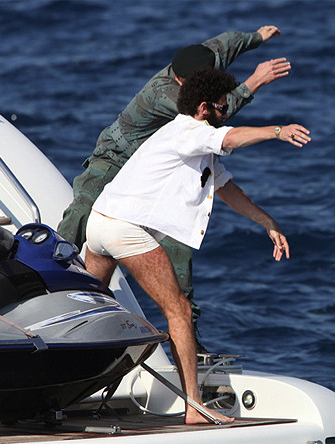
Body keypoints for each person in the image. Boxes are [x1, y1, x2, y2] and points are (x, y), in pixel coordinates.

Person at [84, 67, 311, 424]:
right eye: (221, 107)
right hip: (123, 228)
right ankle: (194, 407)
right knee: (180, 311)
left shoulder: (190, 142)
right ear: (203, 108)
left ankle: (64, 388)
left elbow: (226, 189)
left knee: (89, 310)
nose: (225, 113)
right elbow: (232, 137)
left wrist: (267, 222)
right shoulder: (189, 131)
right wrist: (278, 131)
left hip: (100, 223)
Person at [57, 26, 290, 342]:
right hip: (115, 159)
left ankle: (188, 331)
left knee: (179, 251)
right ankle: (52, 272)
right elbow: (217, 116)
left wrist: (257, 37)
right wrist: (254, 82)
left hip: (155, 167)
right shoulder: (167, 93)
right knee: (82, 213)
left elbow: (225, 44)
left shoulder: (201, 60)